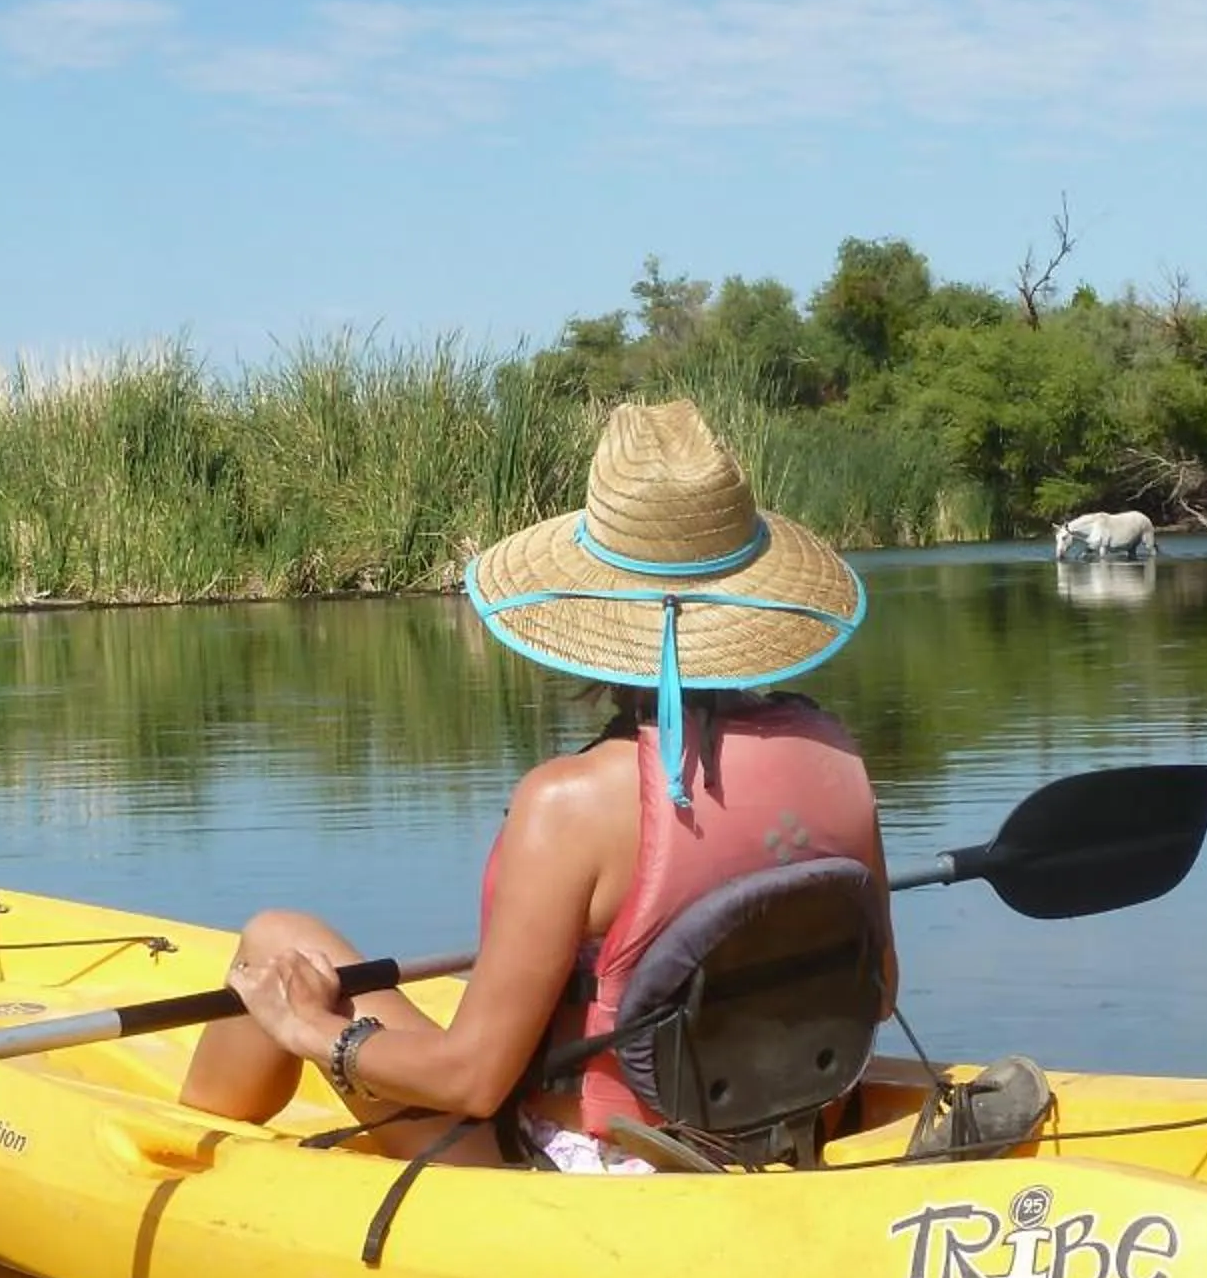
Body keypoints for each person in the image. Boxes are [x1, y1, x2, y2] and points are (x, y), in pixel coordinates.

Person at [180, 399, 896, 1173]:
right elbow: (878, 994)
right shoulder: (835, 757)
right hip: (780, 1134)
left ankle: (187, 1167)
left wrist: (315, 1031)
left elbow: (474, 1082)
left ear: (591, 608)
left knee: (276, 942)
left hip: (585, 1167)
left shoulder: (570, 804)